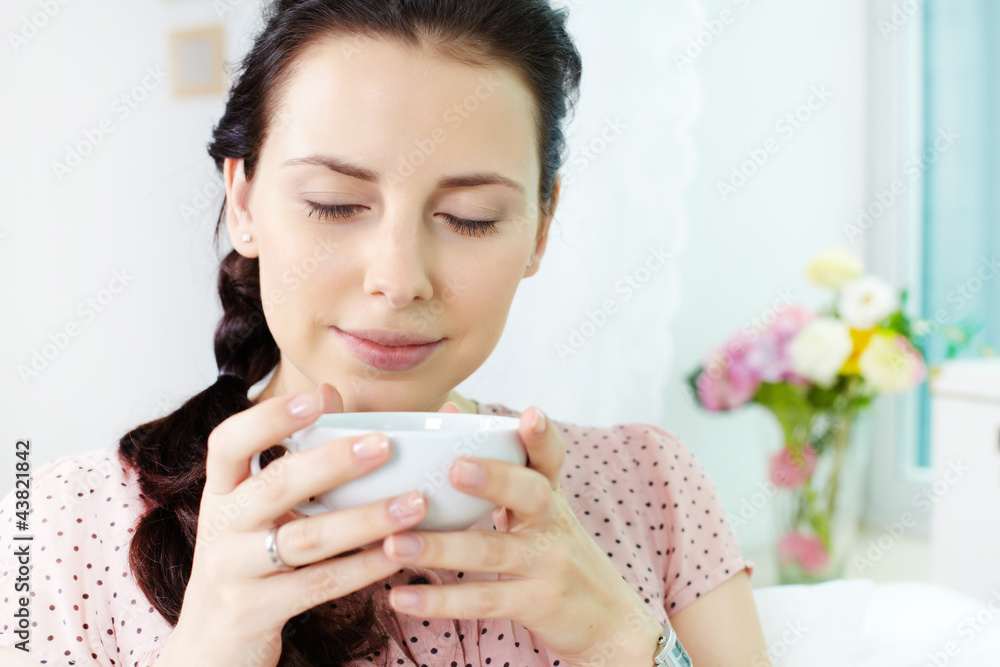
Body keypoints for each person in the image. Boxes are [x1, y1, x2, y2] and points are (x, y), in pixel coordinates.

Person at [0, 0, 771, 665]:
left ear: (541, 228)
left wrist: (622, 640)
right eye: (335, 203)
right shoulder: (64, 522)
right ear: (244, 202)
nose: (399, 279)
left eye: (470, 217)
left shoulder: (649, 486)